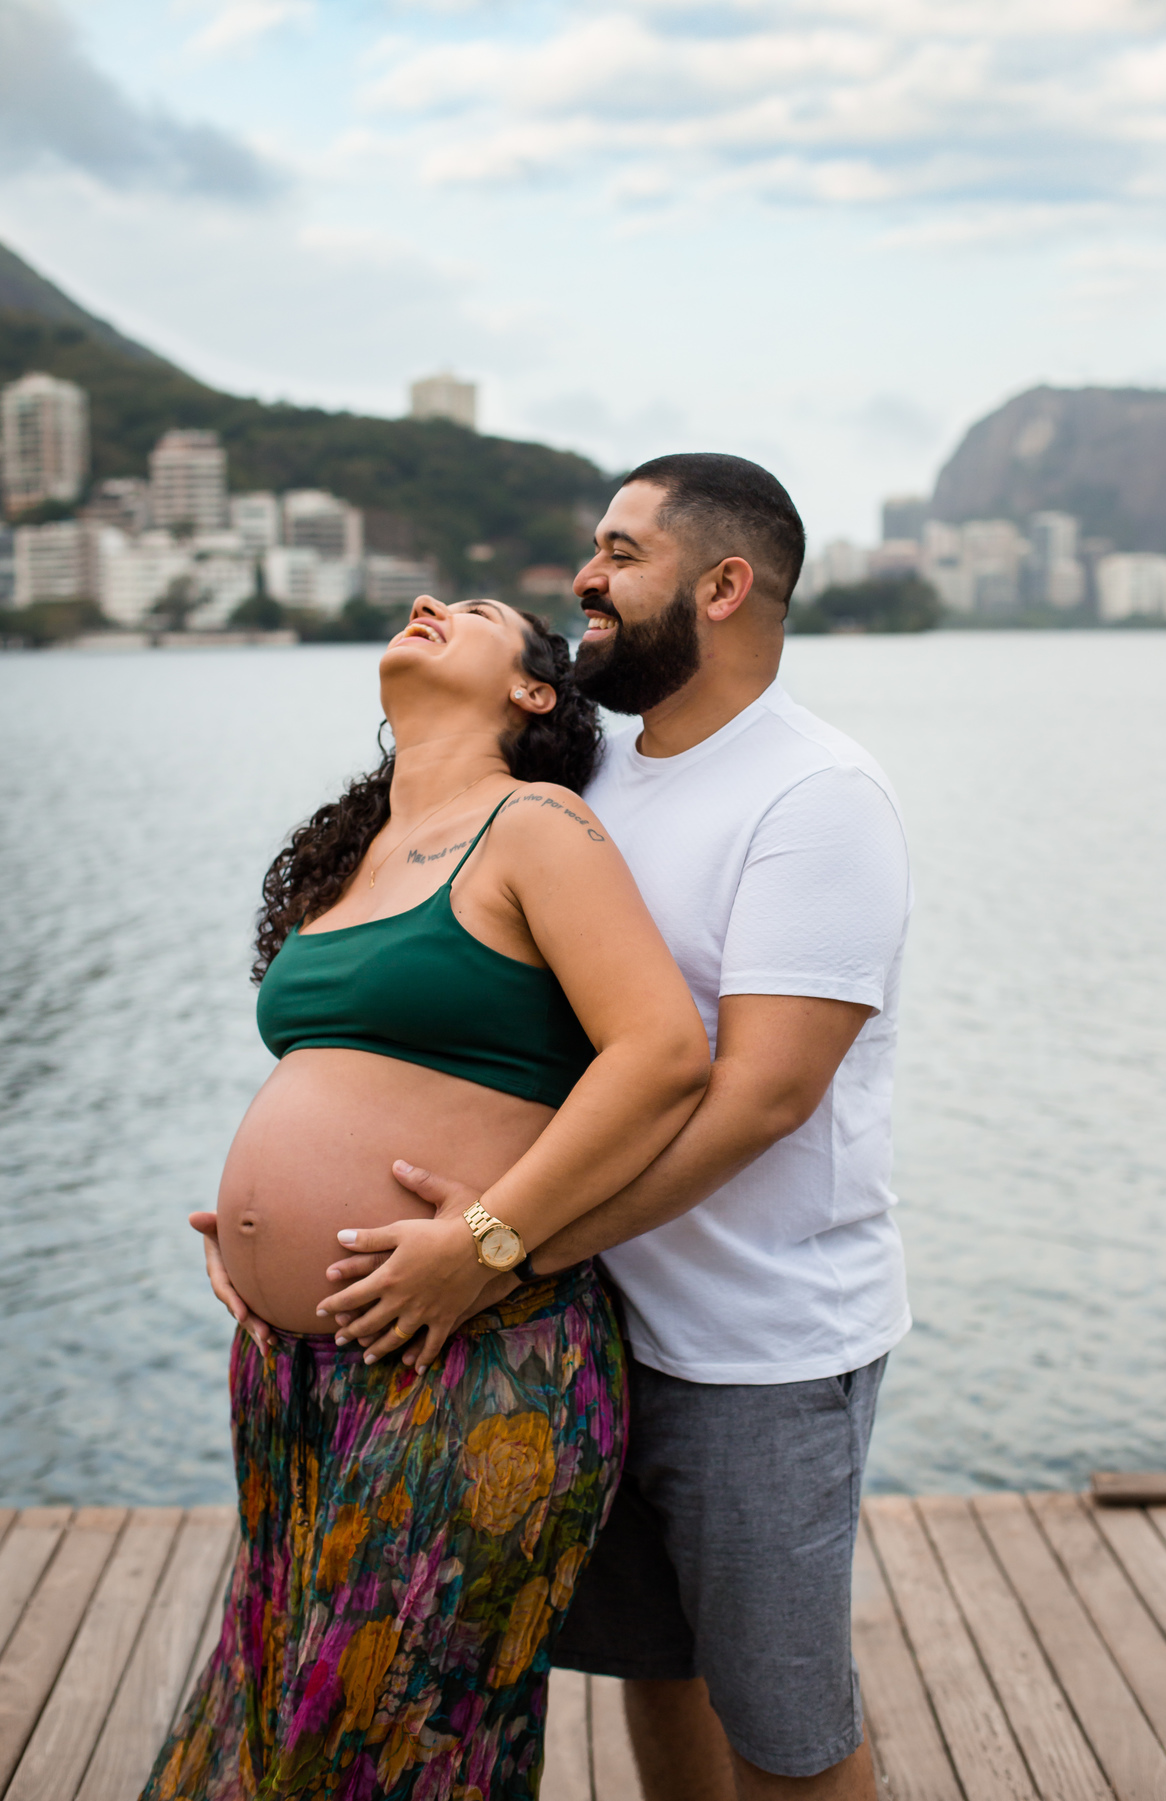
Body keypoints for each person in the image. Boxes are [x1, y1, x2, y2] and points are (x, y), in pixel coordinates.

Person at [334, 455, 913, 1800]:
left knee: (785, 1726)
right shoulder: (586, 773)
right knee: (661, 1671)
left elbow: (762, 1095)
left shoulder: (817, 794)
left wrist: (506, 1246)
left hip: (757, 1342)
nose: (584, 581)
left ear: (724, 586)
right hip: (589, 1328)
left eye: (621, 552)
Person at [148, 598, 711, 1801]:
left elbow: (663, 1055)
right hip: (298, 1372)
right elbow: (354, 1074)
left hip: (469, 1358)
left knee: (391, 1749)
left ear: (535, 693)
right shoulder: (349, 854)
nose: (427, 608)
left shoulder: (537, 823)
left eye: (473, 612)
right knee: (271, 1727)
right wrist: (250, 1229)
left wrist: (486, 1237)